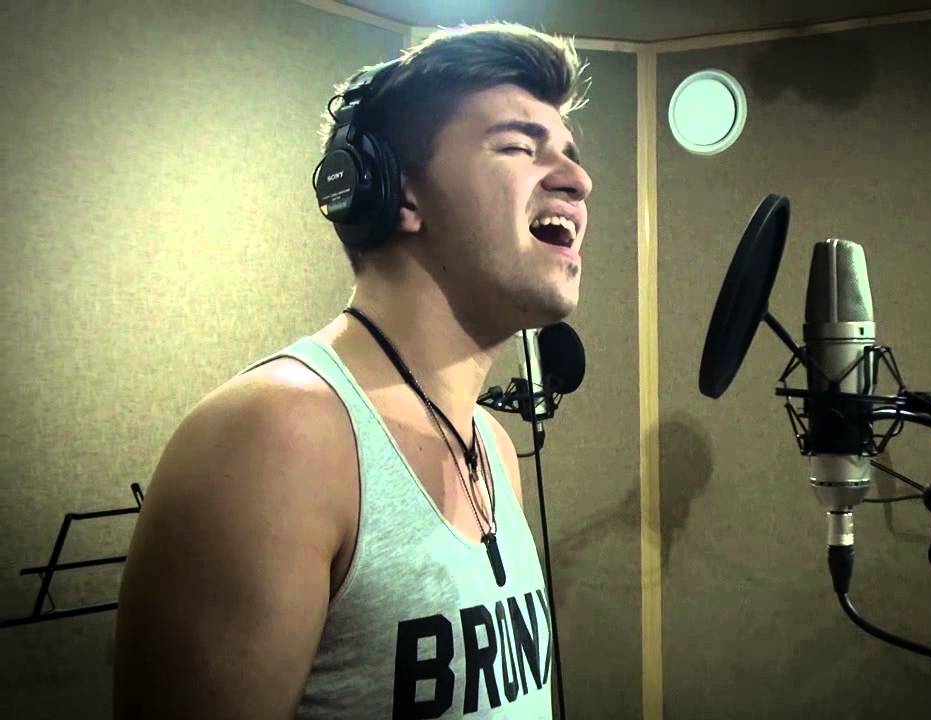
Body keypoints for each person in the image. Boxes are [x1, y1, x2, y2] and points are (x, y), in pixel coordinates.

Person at [113, 21, 593, 719]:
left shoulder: (491, 447)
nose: (579, 180)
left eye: (571, 155)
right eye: (519, 146)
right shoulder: (274, 439)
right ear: (396, 192)